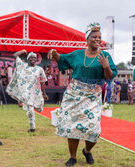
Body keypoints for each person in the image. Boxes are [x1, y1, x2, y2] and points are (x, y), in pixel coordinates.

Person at [47, 22, 118, 166]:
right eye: (94, 37)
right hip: (75, 94)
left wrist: (106, 67)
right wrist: (54, 54)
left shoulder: (105, 55)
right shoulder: (78, 54)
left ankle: (87, 151)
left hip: (93, 95)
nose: (98, 39)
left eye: (99, 37)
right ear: (87, 39)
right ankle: (72, 157)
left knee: (93, 129)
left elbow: (110, 77)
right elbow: (63, 60)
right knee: (72, 127)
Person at [6, 50, 48, 132]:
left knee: (39, 108)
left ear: (36, 60)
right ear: (28, 59)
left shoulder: (39, 69)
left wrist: (44, 94)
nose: (33, 59)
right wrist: (22, 51)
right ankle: (32, 128)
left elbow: (42, 82)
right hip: (26, 92)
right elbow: (15, 55)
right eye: (31, 57)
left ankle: (31, 106)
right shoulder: (23, 66)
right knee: (30, 110)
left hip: (36, 92)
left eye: (34, 58)